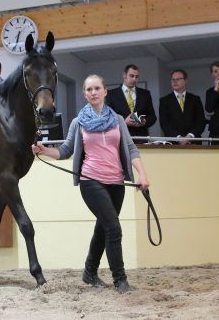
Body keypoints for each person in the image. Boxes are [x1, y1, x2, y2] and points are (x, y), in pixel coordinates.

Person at [31, 74, 150, 294]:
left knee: (103, 228)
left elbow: (132, 149)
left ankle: (89, 272)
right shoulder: (79, 122)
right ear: (84, 94)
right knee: (114, 228)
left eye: (97, 88)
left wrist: (142, 175)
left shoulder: (118, 121)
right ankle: (120, 280)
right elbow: (66, 150)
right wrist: (44, 150)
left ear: (105, 91)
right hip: (91, 181)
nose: (93, 92)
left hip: (117, 183)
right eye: (89, 89)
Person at [106, 64, 156, 138]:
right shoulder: (111, 94)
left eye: (137, 77)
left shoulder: (145, 94)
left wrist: (145, 121)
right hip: (120, 137)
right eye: (131, 76)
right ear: (124, 75)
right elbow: (107, 118)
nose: (134, 79)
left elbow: (152, 117)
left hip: (141, 138)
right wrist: (123, 122)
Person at [159, 69, 206, 144]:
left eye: (178, 79)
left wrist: (189, 137)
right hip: (173, 143)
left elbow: (201, 122)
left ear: (185, 81)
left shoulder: (195, 99)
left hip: (193, 143)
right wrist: (178, 138)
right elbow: (164, 124)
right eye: (173, 79)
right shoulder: (164, 100)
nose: (175, 82)